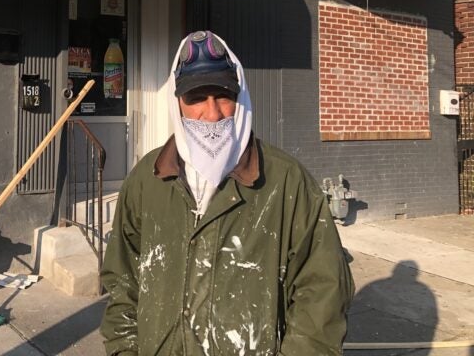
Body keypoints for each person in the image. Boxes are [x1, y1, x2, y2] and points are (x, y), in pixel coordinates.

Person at [100, 30, 354, 355]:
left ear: (241, 96)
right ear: (177, 102)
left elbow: (322, 292)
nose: (212, 113)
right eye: (196, 98)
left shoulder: (286, 183)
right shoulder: (147, 181)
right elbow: (123, 282)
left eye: (223, 95)